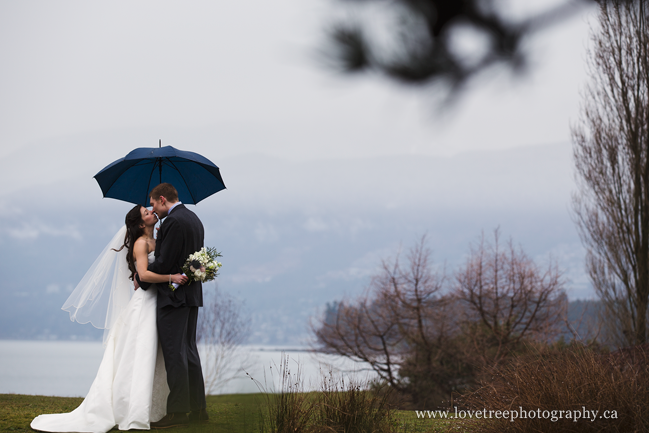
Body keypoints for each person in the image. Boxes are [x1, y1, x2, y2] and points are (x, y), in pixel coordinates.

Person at [30, 205, 188, 432]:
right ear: (141, 224)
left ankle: (155, 408)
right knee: (140, 353)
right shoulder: (141, 243)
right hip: (145, 304)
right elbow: (143, 274)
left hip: (159, 303)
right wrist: (171, 277)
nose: (152, 211)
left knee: (156, 356)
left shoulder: (159, 240)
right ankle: (130, 410)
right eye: (146, 212)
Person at [135, 183, 208, 428]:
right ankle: (198, 410)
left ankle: (177, 413)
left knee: (174, 354)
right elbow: (197, 260)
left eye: (153, 203)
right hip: (191, 296)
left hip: (174, 298)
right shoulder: (194, 219)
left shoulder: (173, 223)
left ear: (162, 199)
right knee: (189, 351)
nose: (153, 209)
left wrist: (141, 278)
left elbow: (165, 262)